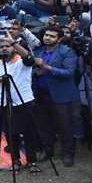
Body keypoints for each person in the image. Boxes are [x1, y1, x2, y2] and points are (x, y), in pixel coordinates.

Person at [0, 33, 42, 173]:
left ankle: (32, 162)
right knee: (10, 135)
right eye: (2, 47)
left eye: (7, 46)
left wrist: (13, 42)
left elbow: (30, 59)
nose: (4, 49)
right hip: (4, 104)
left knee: (29, 134)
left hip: (24, 102)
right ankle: (16, 161)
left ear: (13, 48)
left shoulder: (22, 61)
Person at [32, 26, 79, 167]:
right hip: (41, 94)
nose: (47, 38)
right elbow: (32, 69)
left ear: (59, 39)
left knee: (65, 126)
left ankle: (68, 153)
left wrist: (46, 67)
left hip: (61, 95)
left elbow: (68, 73)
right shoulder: (38, 51)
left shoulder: (67, 52)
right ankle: (48, 150)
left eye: (52, 36)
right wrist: (36, 72)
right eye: (46, 35)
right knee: (44, 125)